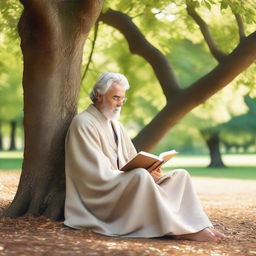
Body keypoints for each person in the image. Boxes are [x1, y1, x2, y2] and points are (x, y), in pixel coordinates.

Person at [64, 72, 225, 241]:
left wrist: (152, 168)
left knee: (180, 176)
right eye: (116, 98)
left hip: (124, 184)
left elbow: (132, 160)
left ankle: (197, 224)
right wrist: (139, 173)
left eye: (122, 99)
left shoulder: (116, 125)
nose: (120, 104)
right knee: (140, 176)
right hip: (100, 195)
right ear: (99, 95)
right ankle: (178, 230)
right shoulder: (82, 123)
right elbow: (95, 173)